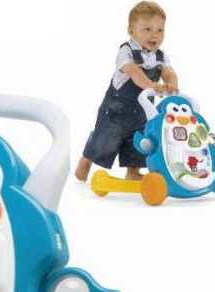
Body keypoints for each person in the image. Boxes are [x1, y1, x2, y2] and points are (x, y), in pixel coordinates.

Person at [75, 1, 178, 181]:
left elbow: (168, 72)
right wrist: (152, 85)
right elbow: (134, 72)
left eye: (160, 30)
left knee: (139, 142)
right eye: (147, 29)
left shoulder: (161, 56)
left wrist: (171, 84)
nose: (154, 35)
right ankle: (86, 160)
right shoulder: (126, 51)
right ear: (132, 31)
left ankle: (133, 172)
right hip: (116, 110)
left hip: (142, 112)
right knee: (105, 140)